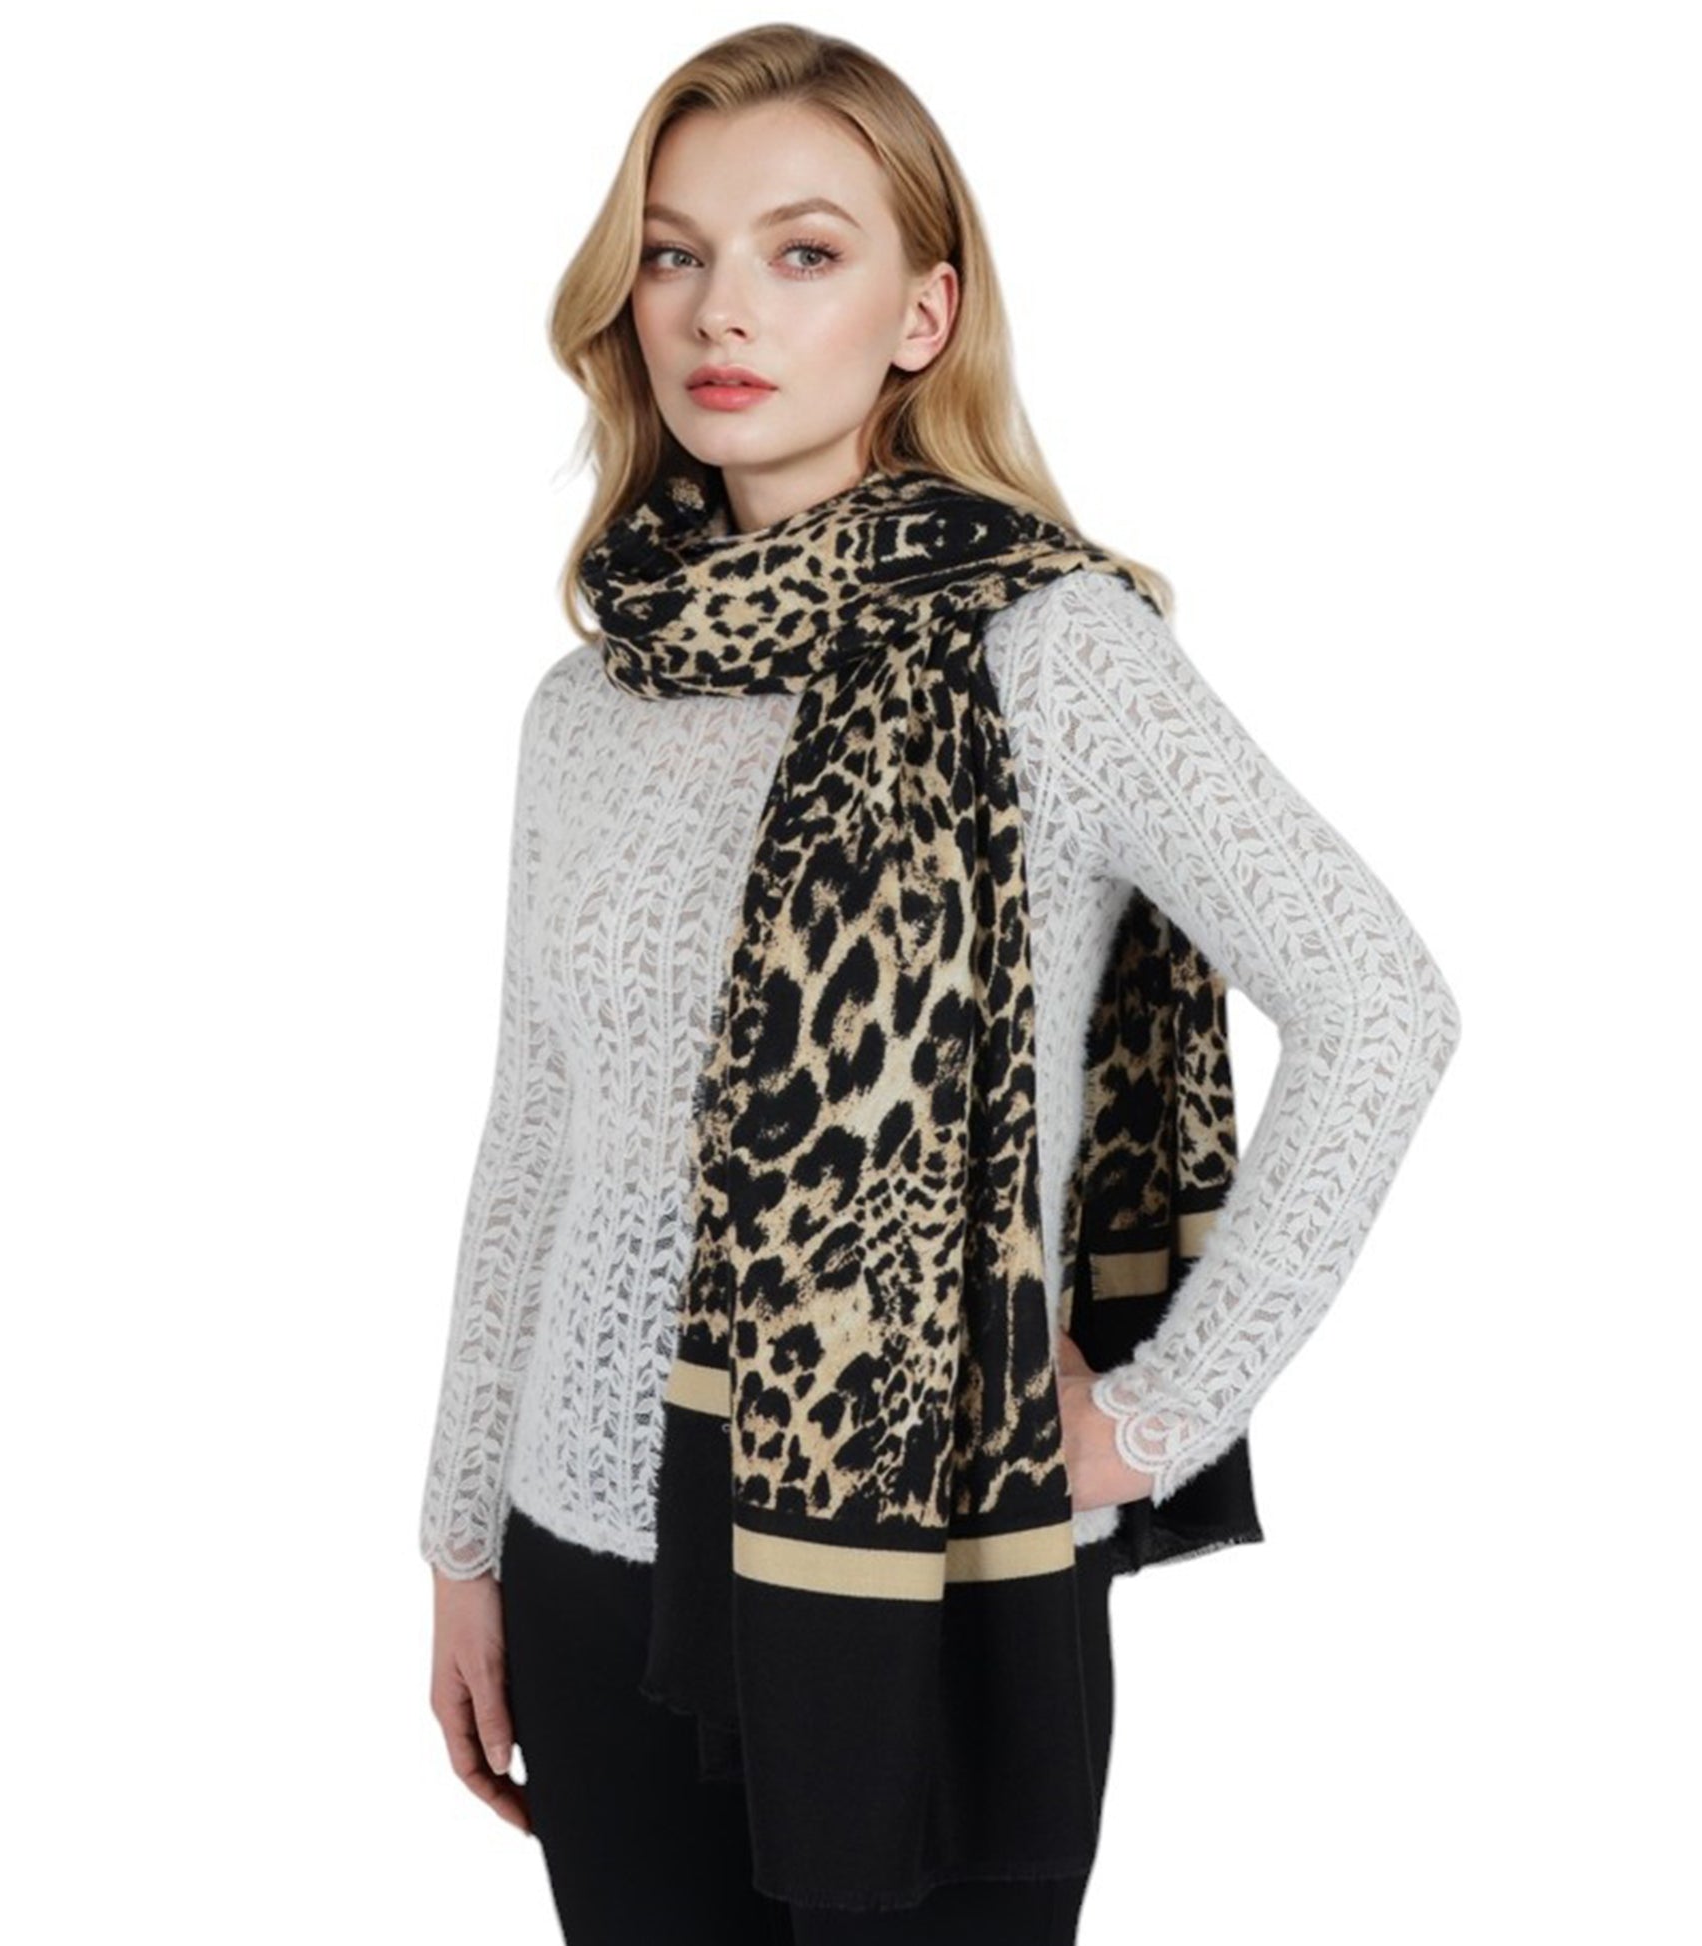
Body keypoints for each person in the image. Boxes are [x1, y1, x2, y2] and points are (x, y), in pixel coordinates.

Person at [420, 23, 1462, 1945]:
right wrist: (460, 1538)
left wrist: (1150, 1420)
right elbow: (534, 1129)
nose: (721, 307)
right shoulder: (587, 705)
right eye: (673, 252)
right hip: (583, 1561)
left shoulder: (1049, 653)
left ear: (924, 311)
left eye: (803, 251)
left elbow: (1381, 1005)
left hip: (934, 1568)